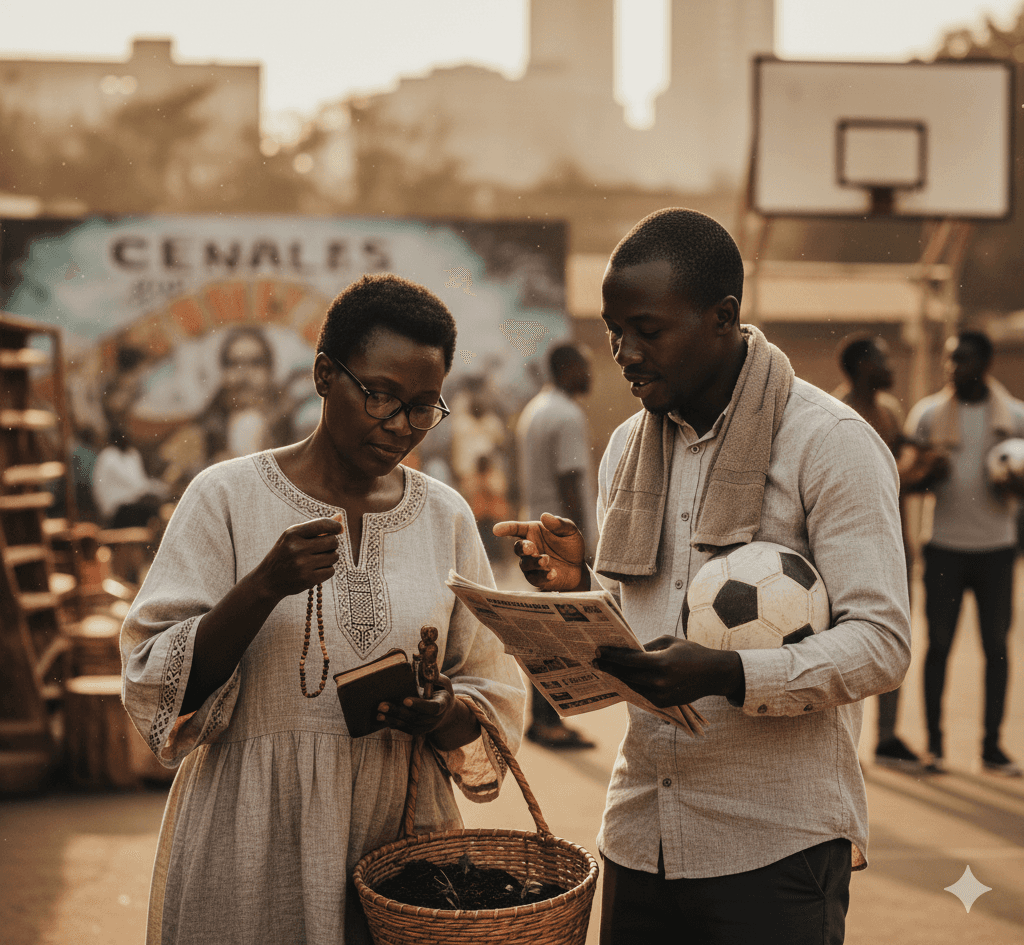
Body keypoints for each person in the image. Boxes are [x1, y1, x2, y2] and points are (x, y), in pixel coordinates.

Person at [496, 209, 910, 945]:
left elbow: (881, 643)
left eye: (647, 330)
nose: (623, 351)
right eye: (613, 329)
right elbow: (637, 618)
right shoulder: (626, 446)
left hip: (773, 843)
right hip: (637, 833)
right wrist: (576, 586)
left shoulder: (831, 444)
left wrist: (729, 674)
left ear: (723, 318)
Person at [120, 273, 526, 945]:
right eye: (379, 395)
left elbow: (489, 689)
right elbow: (155, 683)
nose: (400, 425)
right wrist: (262, 587)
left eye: (423, 406)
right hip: (254, 834)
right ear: (322, 376)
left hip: (400, 849)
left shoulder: (446, 517)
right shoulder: (224, 497)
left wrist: (445, 711)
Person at [902, 330, 1024, 777]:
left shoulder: (1013, 417)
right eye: (950, 359)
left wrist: (1015, 485)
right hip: (944, 550)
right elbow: (905, 483)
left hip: (996, 549)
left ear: (986, 363)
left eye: (964, 360)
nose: (953, 368)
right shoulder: (930, 414)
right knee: (938, 648)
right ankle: (934, 747)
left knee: (997, 650)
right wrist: (927, 474)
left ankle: (992, 748)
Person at [833, 333, 921, 771]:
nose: (891, 365)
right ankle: (846, 739)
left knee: (893, 639)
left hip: (896, 544)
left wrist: (923, 466)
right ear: (860, 366)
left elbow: (896, 472)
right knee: (848, 642)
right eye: (882, 358)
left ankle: (887, 737)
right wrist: (916, 473)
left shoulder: (890, 411)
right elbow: (864, 482)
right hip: (849, 548)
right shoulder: (839, 415)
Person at [514, 342, 597, 749]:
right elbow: (570, 483)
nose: (591, 374)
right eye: (585, 365)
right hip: (561, 541)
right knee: (563, 633)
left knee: (550, 632)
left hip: (538, 535)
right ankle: (547, 722)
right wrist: (579, 547)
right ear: (567, 368)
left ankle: (543, 719)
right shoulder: (566, 414)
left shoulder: (535, 410)